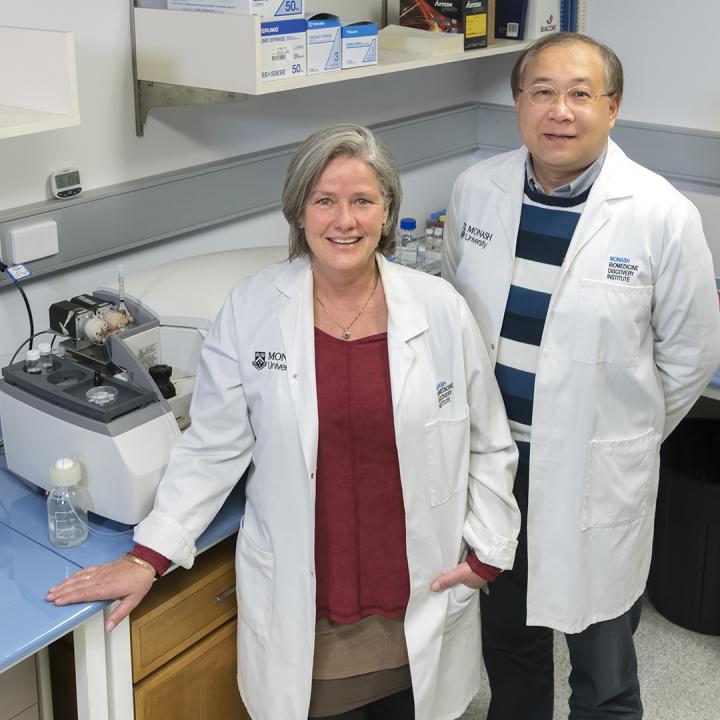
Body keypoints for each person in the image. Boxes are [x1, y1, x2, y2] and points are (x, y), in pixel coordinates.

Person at [47, 124, 521, 720]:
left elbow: (487, 442)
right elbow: (213, 448)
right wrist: (149, 555)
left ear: (386, 211)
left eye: (362, 200)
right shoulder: (252, 309)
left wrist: (488, 550)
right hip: (311, 618)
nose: (344, 220)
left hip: (421, 598)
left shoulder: (440, 308)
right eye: (324, 200)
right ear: (298, 212)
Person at [442, 31, 720, 720]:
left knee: (603, 666)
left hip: (596, 474)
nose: (559, 111)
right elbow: (455, 317)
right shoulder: (476, 191)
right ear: (518, 103)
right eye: (542, 92)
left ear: (613, 106)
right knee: (509, 642)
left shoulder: (661, 215)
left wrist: (622, 433)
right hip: (495, 465)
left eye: (580, 94)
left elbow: (691, 355)